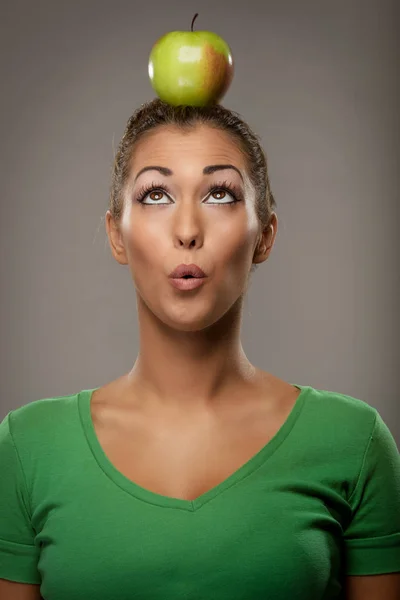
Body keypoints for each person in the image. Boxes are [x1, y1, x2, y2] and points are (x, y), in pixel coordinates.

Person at [0, 98, 399, 599]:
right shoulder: (28, 448)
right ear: (116, 236)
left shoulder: (354, 442)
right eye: (155, 195)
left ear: (265, 235)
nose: (187, 230)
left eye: (219, 195)